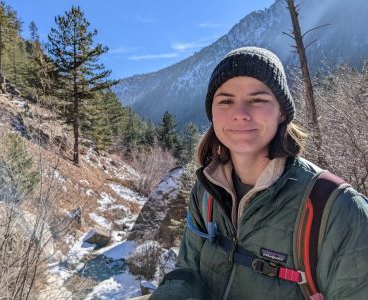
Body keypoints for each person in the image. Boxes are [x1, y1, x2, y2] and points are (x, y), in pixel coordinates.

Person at [150, 47, 368, 300]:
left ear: (282, 112)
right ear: (213, 114)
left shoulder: (337, 208)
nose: (240, 114)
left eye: (257, 100)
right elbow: (188, 271)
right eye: (226, 101)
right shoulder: (206, 193)